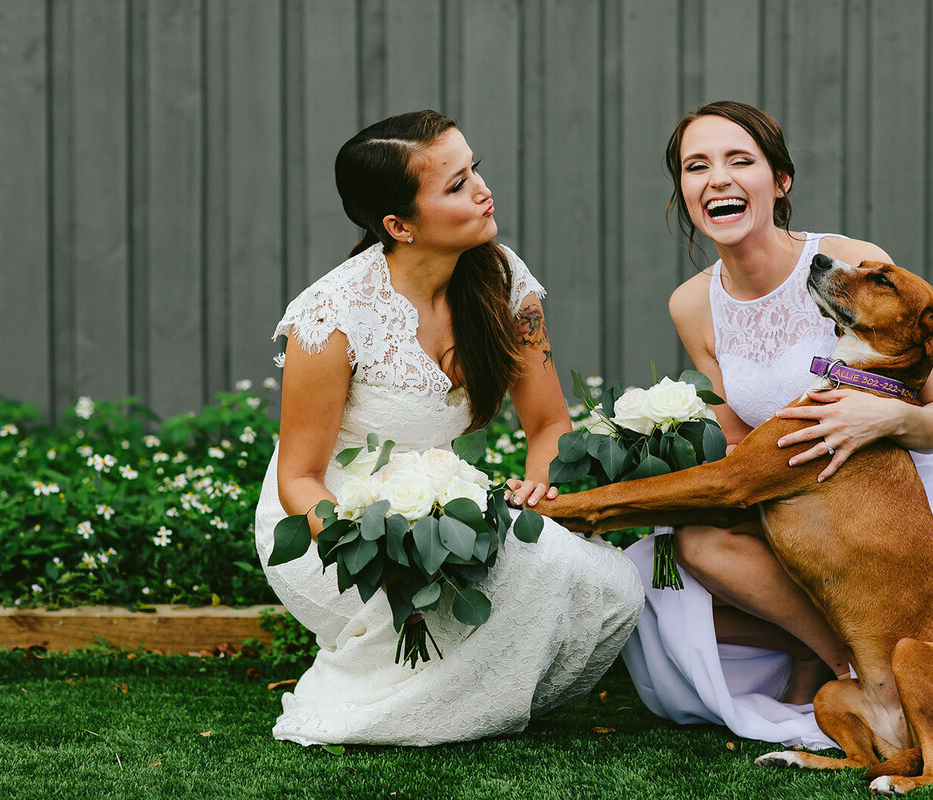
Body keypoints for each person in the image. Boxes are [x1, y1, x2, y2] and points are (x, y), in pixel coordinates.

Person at [619, 100, 933, 750]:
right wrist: (663, 441)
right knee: (683, 553)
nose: (717, 179)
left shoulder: (850, 266)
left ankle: (875, 678)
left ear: (780, 180)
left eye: (741, 160)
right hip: (802, 502)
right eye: (696, 166)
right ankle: (838, 660)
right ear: (682, 189)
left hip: (900, 504)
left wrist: (883, 416)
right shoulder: (691, 304)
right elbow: (744, 429)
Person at [254, 110, 642, 747]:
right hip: (330, 529)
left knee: (600, 578)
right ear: (398, 225)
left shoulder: (505, 281)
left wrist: (539, 495)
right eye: (457, 185)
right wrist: (379, 555)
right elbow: (299, 478)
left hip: (439, 507)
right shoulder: (331, 318)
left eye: (475, 170)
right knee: (522, 576)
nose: (483, 191)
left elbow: (548, 425)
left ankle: (469, 687)